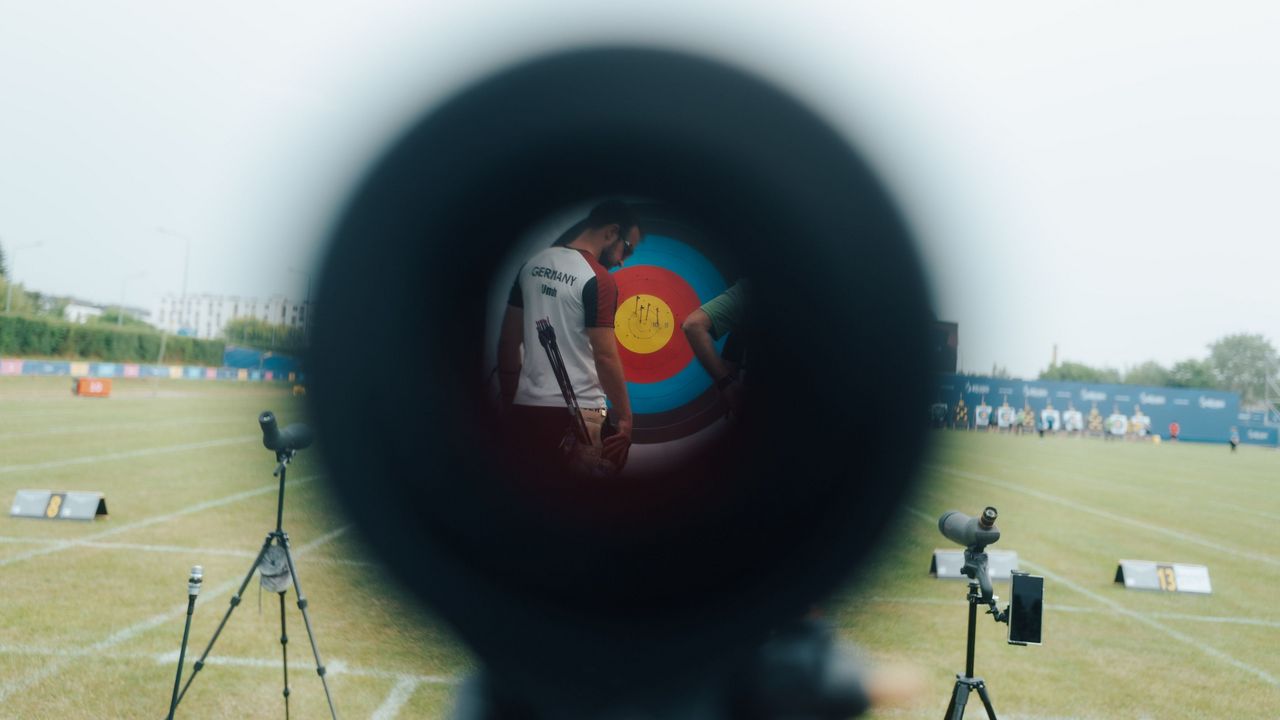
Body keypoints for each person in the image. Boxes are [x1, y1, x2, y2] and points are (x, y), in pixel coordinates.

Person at [497, 199, 643, 474]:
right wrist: (625, 419)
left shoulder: (532, 265)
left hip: (527, 408)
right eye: (627, 248)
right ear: (611, 233)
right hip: (584, 414)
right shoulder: (598, 279)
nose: (623, 261)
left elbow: (508, 341)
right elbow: (604, 356)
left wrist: (510, 403)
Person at [682, 279, 750, 418]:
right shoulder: (749, 291)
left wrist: (727, 384)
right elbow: (693, 326)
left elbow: (693, 325)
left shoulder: (750, 290)